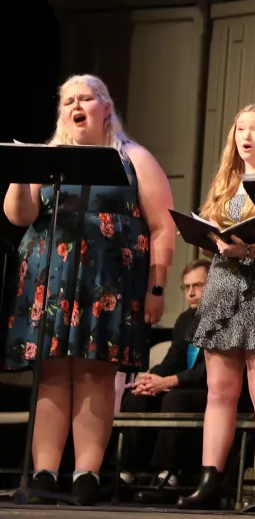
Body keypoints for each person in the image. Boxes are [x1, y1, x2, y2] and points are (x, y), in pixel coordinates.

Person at [3, 74, 175, 506]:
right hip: (52, 281)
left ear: (106, 108)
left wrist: (157, 286)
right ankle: (44, 472)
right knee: (53, 375)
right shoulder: (48, 157)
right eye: (68, 101)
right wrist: (23, 175)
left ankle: (86, 474)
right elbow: (19, 217)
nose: (76, 106)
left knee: (97, 373)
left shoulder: (132, 157)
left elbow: (161, 225)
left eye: (86, 98)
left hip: (108, 283)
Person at [176, 104, 255, 509]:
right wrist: (206, 237)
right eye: (241, 129)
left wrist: (245, 247)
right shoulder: (225, 180)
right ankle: (210, 480)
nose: (247, 136)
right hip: (224, 286)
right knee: (219, 390)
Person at [119, 257, 209, 504]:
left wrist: (168, 381)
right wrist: (151, 378)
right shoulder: (185, 320)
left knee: (175, 399)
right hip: (185, 383)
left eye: (198, 285)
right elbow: (174, 359)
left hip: (213, 391)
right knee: (139, 396)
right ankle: (128, 472)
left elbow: (208, 372)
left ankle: (166, 474)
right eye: (187, 287)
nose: (191, 292)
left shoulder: (224, 319)